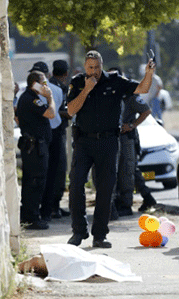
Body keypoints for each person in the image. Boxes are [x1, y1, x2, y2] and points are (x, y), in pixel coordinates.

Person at [66, 50, 156, 248]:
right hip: (84, 142)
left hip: (108, 142)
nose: (94, 71)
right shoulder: (78, 82)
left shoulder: (114, 80)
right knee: (76, 184)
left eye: (97, 67)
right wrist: (86, 90)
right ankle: (79, 231)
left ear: (101, 65)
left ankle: (100, 235)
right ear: (85, 67)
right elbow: (71, 110)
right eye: (90, 68)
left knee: (106, 189)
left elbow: (142, 89)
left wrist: (149, 74)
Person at [107, 67, 152, 217]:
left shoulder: (129, 94)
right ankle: (112, 203)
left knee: (127, 171)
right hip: (110, 137)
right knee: (111, 172)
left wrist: (132, 125)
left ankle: (126, 204)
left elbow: (146, 110)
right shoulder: (106, 92)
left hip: (125, 137)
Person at [16, 71, 56, 230]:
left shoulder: (31, 97)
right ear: (35, 83)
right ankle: (31, 217)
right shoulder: (31, 99)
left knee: (35, 181)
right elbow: (51, 113)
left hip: (37, 146)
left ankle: (30, 215)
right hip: (34, 147)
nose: (46, 86)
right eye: (43, 83)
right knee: (35, 182)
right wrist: (50, 98)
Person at [28, 62, 66, 222]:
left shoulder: (37, 92)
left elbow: (49, 112)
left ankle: (41, 210)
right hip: (55, 132)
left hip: (43, 134)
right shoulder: (57, 90)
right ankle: (49, 209)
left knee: (40, 173)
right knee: (53, 173)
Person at [48, 59, 72, 219]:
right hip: (55, 133)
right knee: (57, 170)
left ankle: (54, 206)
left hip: (53, 133)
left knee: (56, 171)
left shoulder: (51, 85)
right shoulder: (57, 88)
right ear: (65, 73)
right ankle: (52, 207)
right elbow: (60, 111)